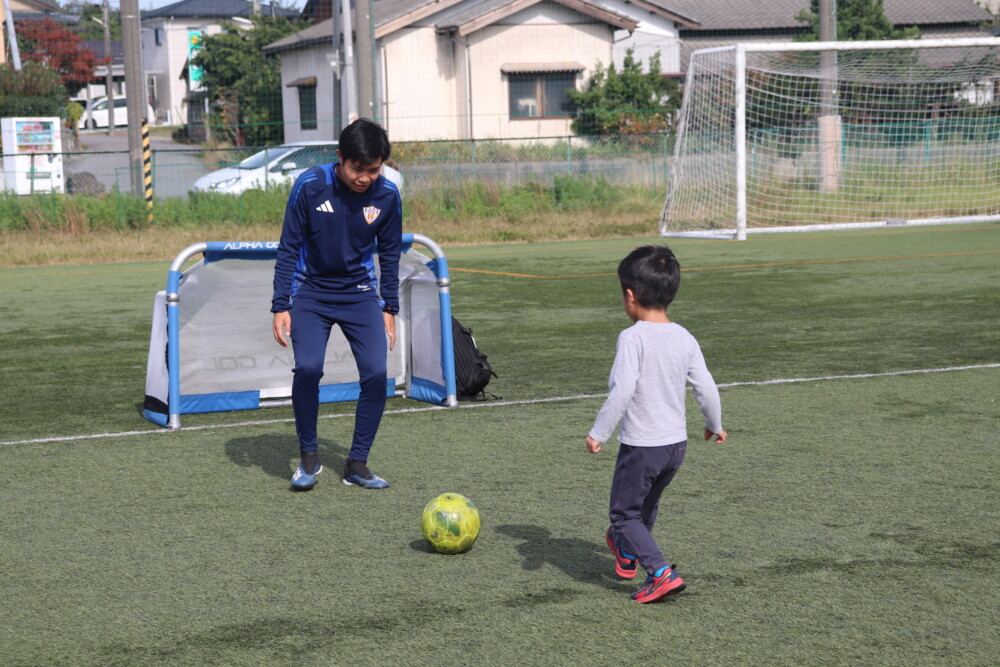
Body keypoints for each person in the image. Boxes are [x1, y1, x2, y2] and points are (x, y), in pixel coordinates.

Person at [585, 245, 728, 603]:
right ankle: (627, 552)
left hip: (643, 446)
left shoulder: (632, 337)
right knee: (645, 509)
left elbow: (623, 391)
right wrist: (714, 423)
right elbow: (706, 387)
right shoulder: (684, 337)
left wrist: (599, 432)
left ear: (629, 296)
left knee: (623, 514)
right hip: (675, 447)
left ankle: (661, 573)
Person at [271, 118, 402, 491]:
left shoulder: (388, 196)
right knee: (309, 368)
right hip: (311, 292)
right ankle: (309, 458)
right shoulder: (311, 186)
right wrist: (281, 304)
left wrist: (389, 307)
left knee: (377, 374)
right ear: (340, 157)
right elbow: (288, 248)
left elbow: (390, 254)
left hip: (360, 294)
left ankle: (357, 464)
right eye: (357, 168)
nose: (364, 178)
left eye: (373, 170)